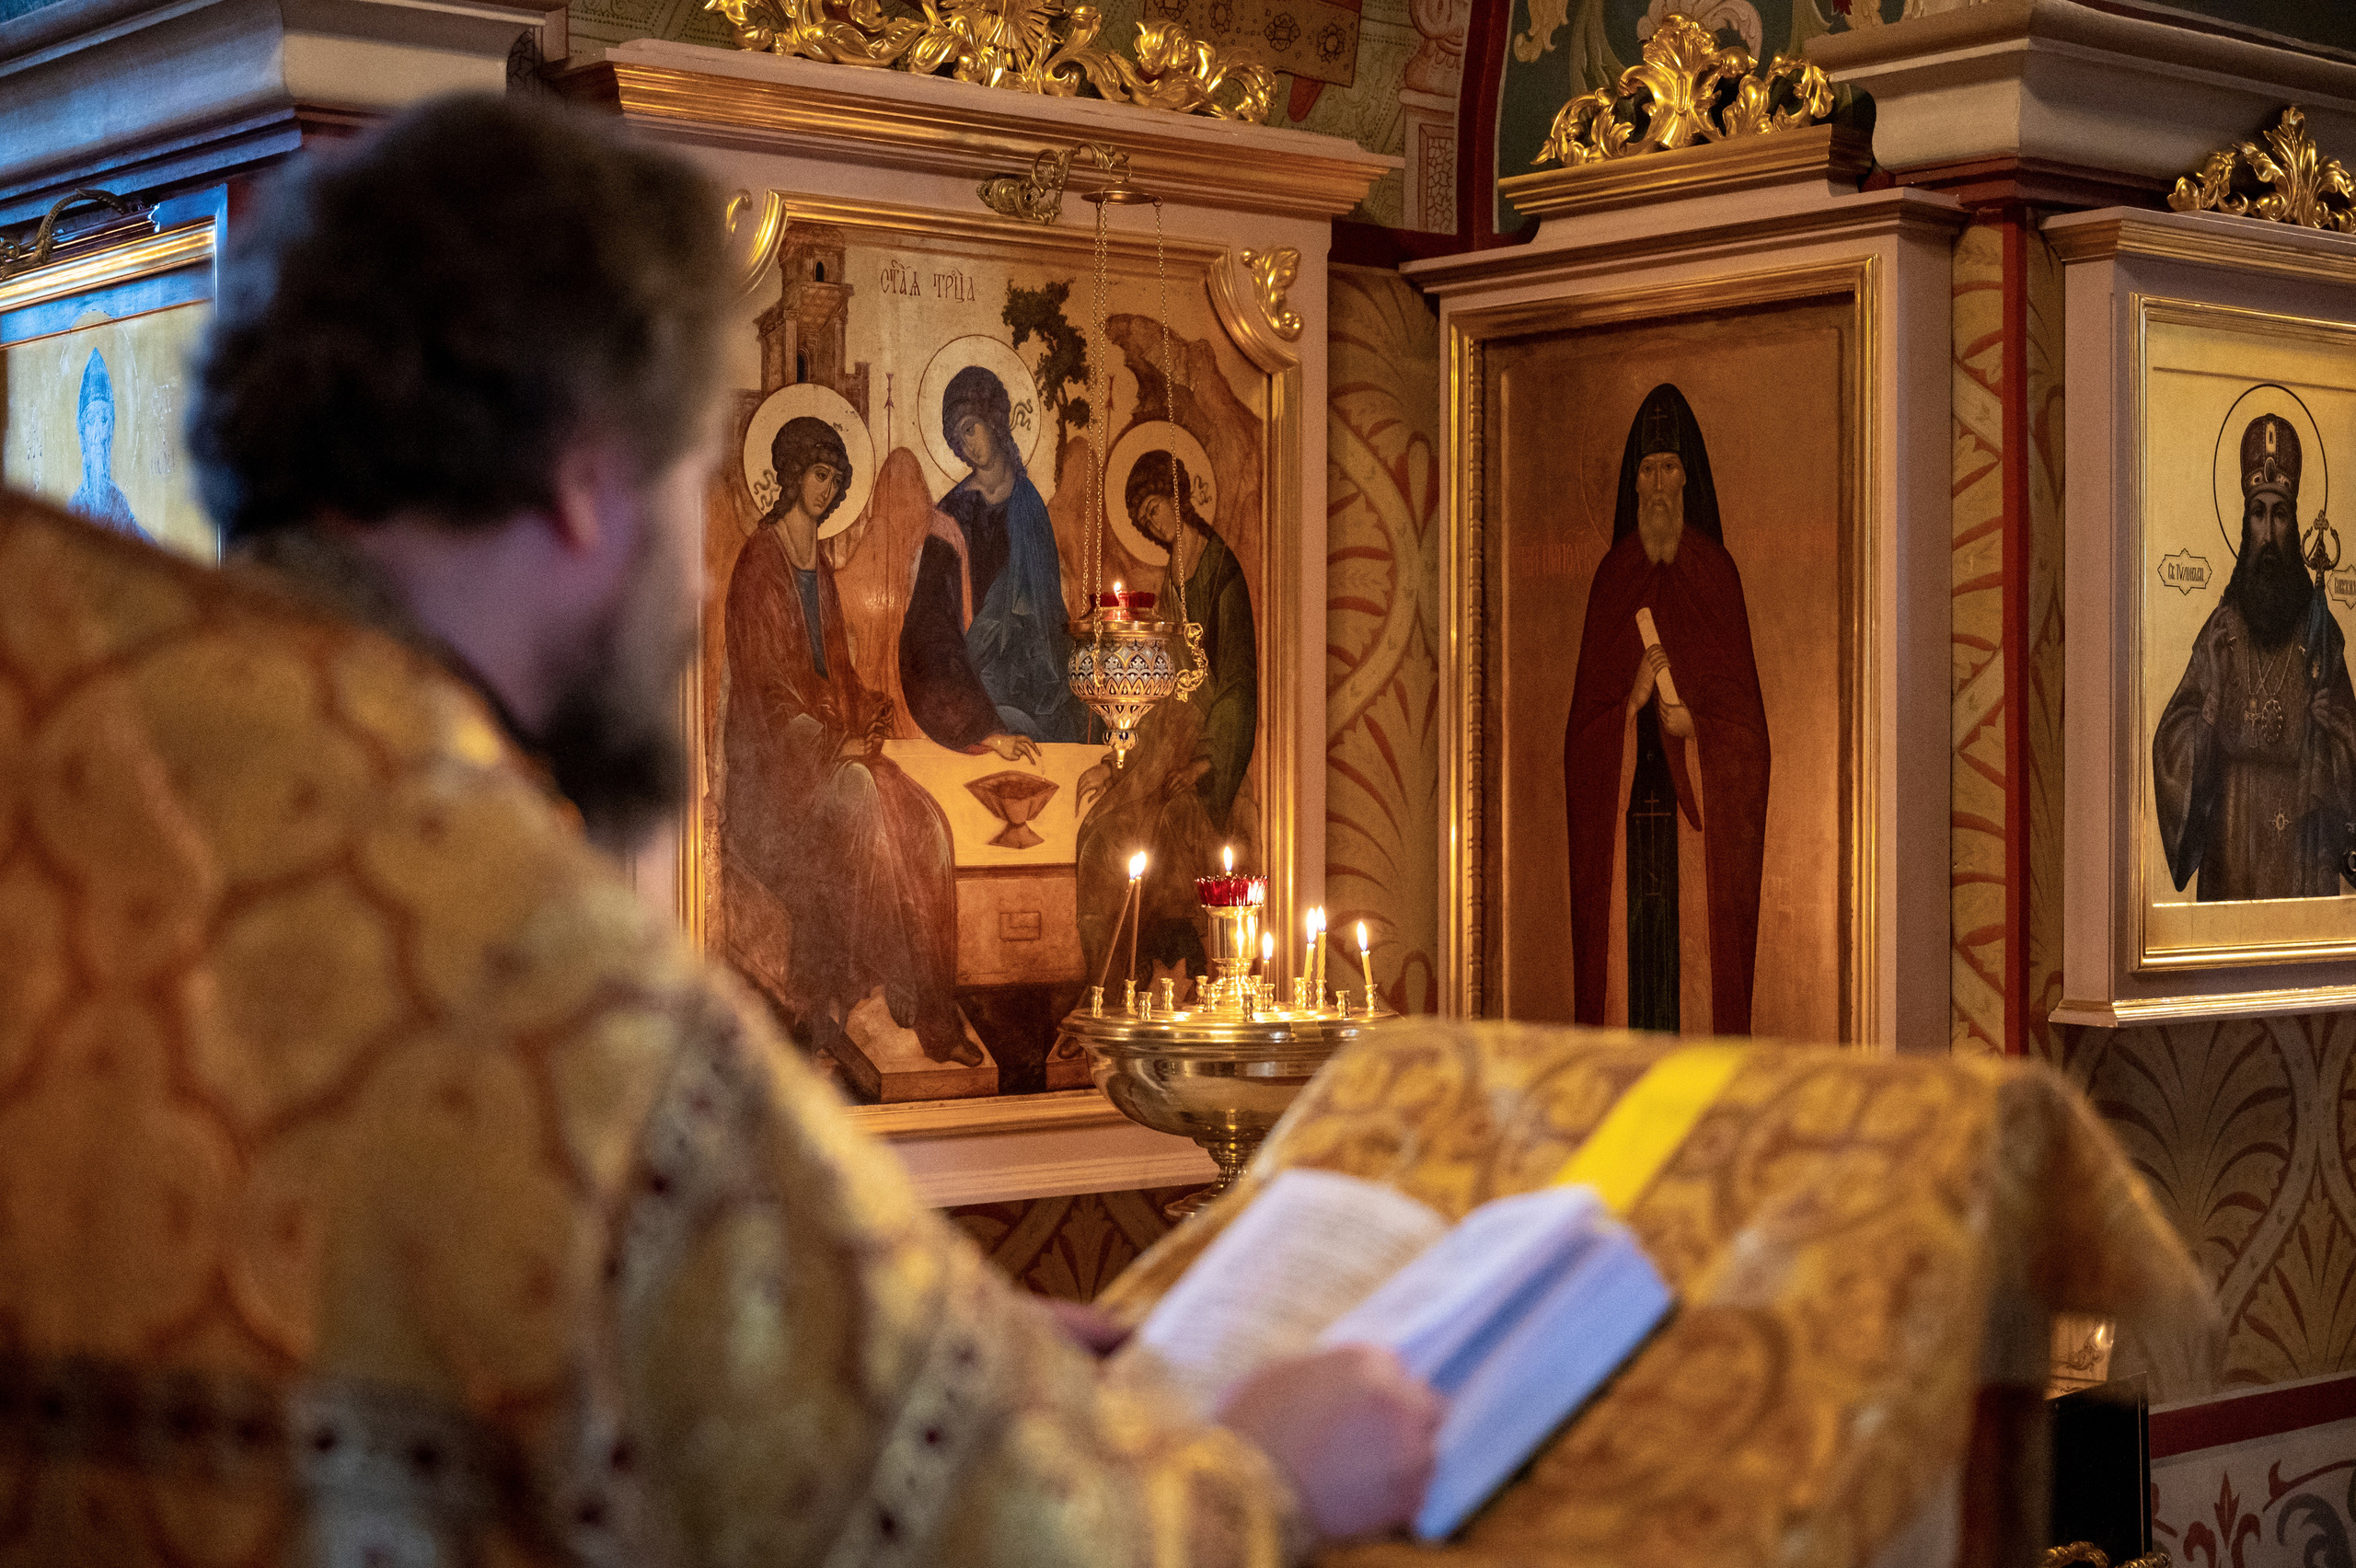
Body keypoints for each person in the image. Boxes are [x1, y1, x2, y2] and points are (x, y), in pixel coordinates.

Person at [0, 94, 1438, 1566]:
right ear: (583, 482)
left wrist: (920, 1351)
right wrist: (1260, 1474)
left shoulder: (63, 759)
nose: (694, 588)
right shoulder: (550, 992)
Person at [720, 415, 979, 1068]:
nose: (827, 490)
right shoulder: (760, 566)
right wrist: (836, 743)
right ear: (789, 476)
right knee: (863, 795)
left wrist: (868, 706)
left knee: (926, 822)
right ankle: (903, 985)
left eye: (835, 479)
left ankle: (929, 989)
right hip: (776, 775)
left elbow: (835, 671)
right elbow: (769, 694)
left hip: (830, 752)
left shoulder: (821, 567)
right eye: (818, 474)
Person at [1563, 383, 1770, 1035]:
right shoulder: (1613, 577)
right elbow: (1579, 734)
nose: (1658, 484)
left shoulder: (1716, 572)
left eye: (1669, 468)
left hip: (1694, 832)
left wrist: (1697, 729)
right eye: (1647, 470)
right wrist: (1628, 709)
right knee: (1634, 982)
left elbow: (1752, 736)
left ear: (1689, 479)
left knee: (1691, 983)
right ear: (1635, 483)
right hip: (1627, 824)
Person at [1076, 450, 1259, 988]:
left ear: (1178, 500)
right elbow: (1160, 688)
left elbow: (1239, 687)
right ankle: (1106, 990)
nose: (1156, 524)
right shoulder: (1173, 582)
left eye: (1158, 509)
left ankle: (1165, 980)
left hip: (1205, 747)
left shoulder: (1222, 576)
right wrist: (1120, 758)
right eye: (1147, 520)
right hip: (1167, 739)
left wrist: (1206, 763)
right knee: (1098, 833)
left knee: (1163, 830)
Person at [2154, 412, 2356, 899]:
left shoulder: (2320, 633)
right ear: (2245, 524)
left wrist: (2334, 733)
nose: (2269, 531)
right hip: (2232, 851)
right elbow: (2171, 743)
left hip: (2300, 866)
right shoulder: (2220, 633)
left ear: (2295, 522)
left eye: (2280, 513)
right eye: (2258, 513)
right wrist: (2204, 721)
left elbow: (2352, 747)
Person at [930, 364, 1091, 744]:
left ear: (993, 421)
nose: (968, 445)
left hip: (1037, 655)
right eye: (958, 438)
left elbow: (1046, 596)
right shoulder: (952, 513)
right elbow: (938, 617)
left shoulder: (1028, 501)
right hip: (981, 663)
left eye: (971, 428)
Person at [70, 348, 148, 538]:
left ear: (111, 429)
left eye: (104, 420)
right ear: (82, 431)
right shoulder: (74, 510)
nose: (98, 434)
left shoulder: (119, 504)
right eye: (90, 421)